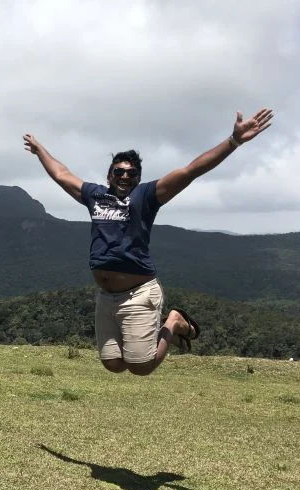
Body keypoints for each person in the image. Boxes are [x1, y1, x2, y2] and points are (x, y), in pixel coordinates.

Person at [23, 109, 274, 375]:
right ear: (109, 176)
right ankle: (161, 328)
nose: (124, 176)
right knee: (113, 364)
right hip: (106, 297)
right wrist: (40, 150)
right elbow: (61, 174)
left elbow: (191, 171)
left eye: (131, 173)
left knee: (141, 367)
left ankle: (173, 321)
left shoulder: (147, 196)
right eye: (119, 171)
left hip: (139, 293)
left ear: (138, 179)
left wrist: (233, 141)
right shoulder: (94, 196)